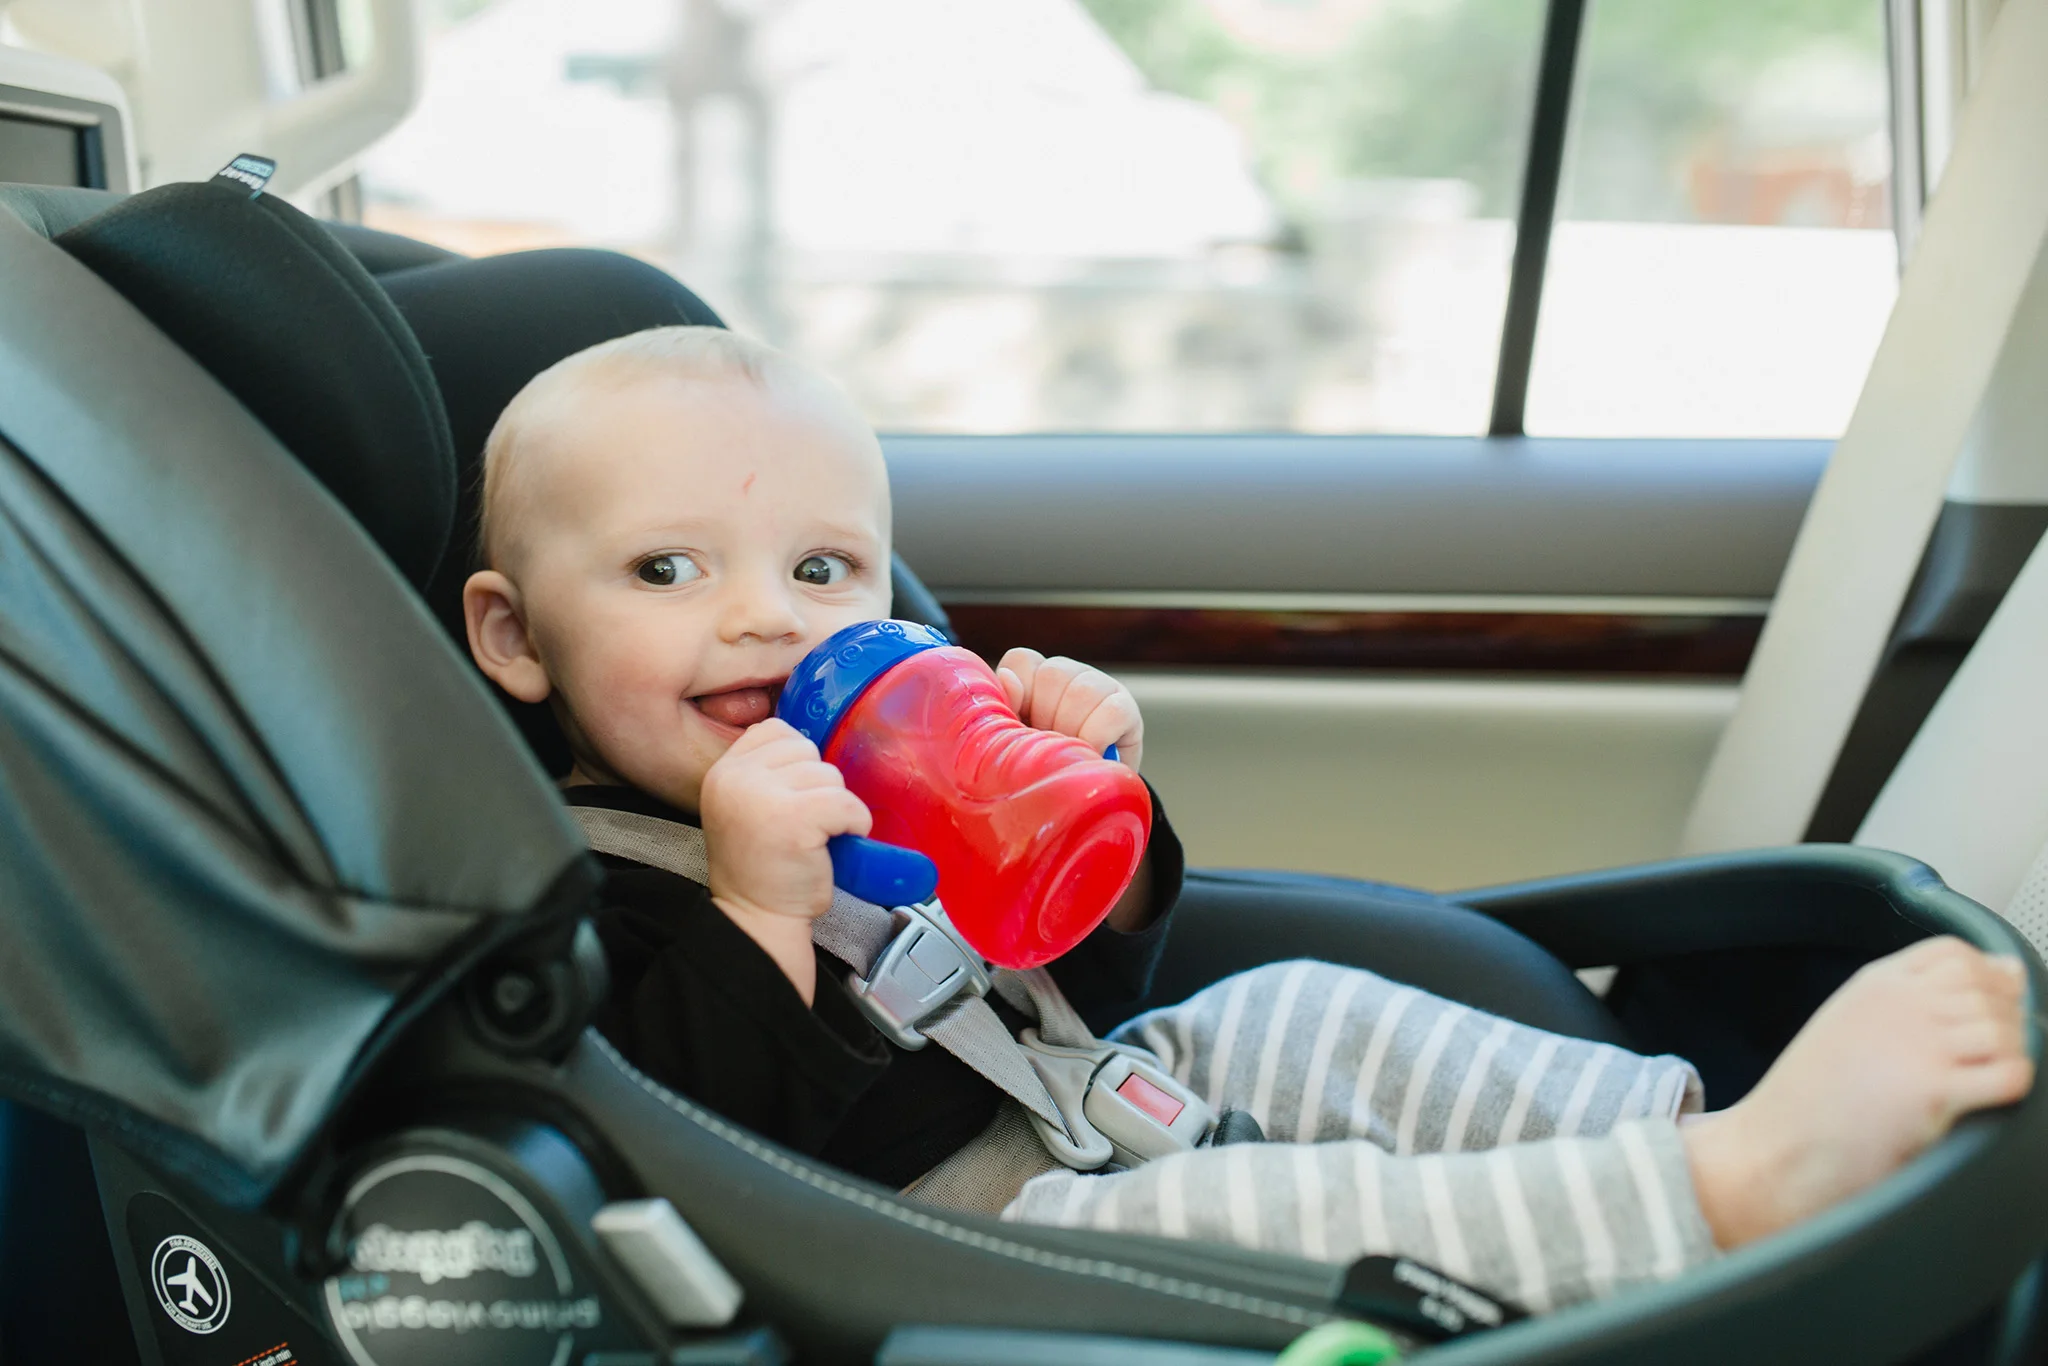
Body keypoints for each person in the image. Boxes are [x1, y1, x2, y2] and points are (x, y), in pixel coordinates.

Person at [460, 324, 2033, 1313]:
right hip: (957, 1236)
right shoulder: (579, 883)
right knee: (1251, 1203)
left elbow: (1075, 988)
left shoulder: (875, 778)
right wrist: (754, 908)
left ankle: (1659, 1124)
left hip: (1088, 1097)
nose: (766, 624)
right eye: (668, 572)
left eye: (823, 571)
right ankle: (1729, 1190)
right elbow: (676, 1136)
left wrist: (1096, 816)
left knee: (1291, 1012)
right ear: (517, 636)